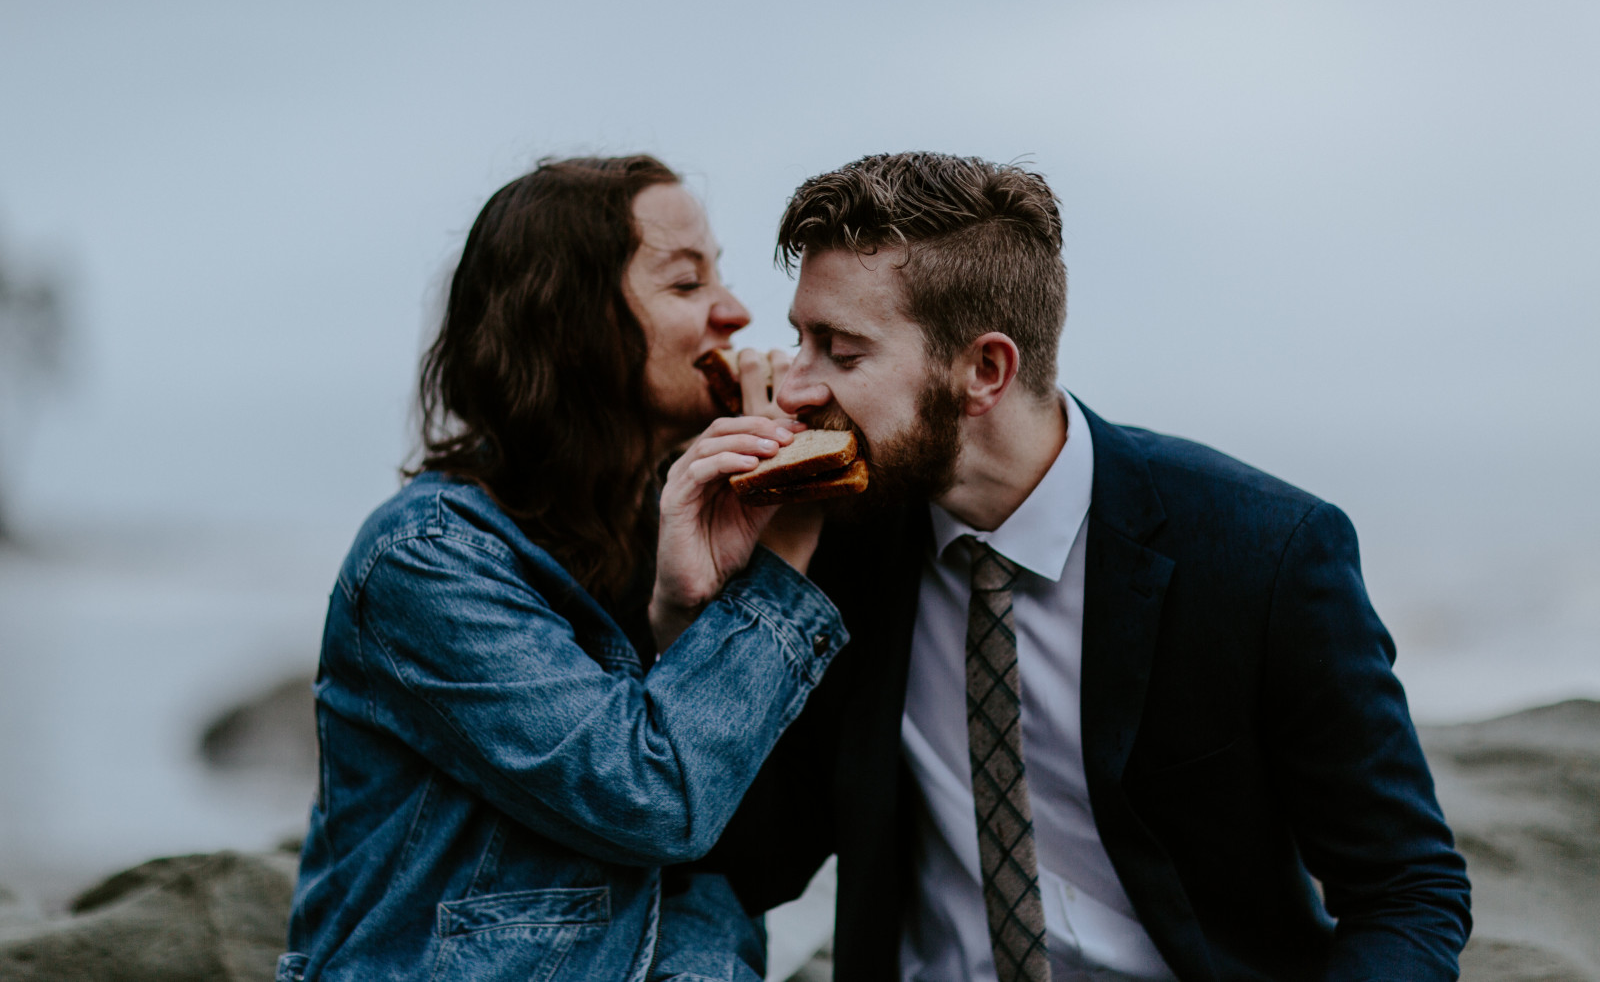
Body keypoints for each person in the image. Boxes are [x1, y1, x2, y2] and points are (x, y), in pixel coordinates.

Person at [706, 152, 1472, 981]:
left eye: (841, 351)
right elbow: (756, 859)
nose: (794, 388)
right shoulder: (839, 547)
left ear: (985, 370)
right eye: (798, 340)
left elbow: (1407, 886)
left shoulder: (1267, 553)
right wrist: (717, 596)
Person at [277, 155, 844, 982]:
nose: (736, 310)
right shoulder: (428, 561)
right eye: (686, 285)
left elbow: (757, 844)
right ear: (571, 322)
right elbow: (652, 798)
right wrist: (785, 549)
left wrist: (695, 608)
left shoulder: (673, 517)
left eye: (718, 274)